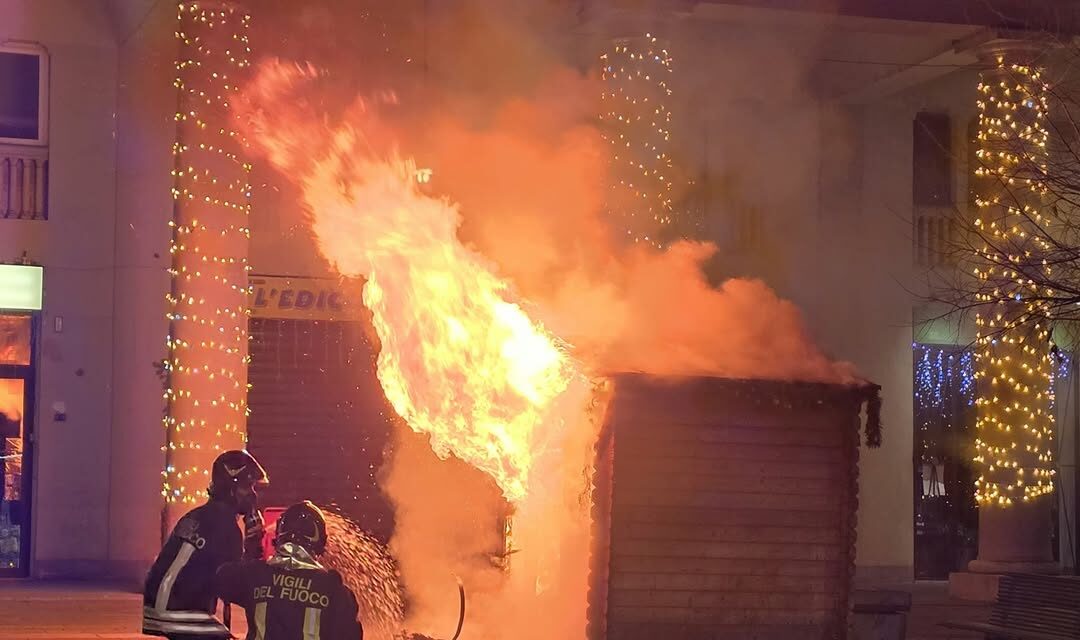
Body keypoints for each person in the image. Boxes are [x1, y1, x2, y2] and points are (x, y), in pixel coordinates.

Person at [143, 450, 269, 639]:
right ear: (230, 488)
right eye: (247, 486)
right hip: (181, 613)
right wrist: (254, 544)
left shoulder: (196, 515)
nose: (252, 494)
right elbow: (237, 585)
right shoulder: (226, 526)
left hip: (155, 608)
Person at [216, 500, 364, 640]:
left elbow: (222, 578)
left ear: (280, 535)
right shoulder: (334, 591)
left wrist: (251, 550)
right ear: (320, 541)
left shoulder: (256, 574)